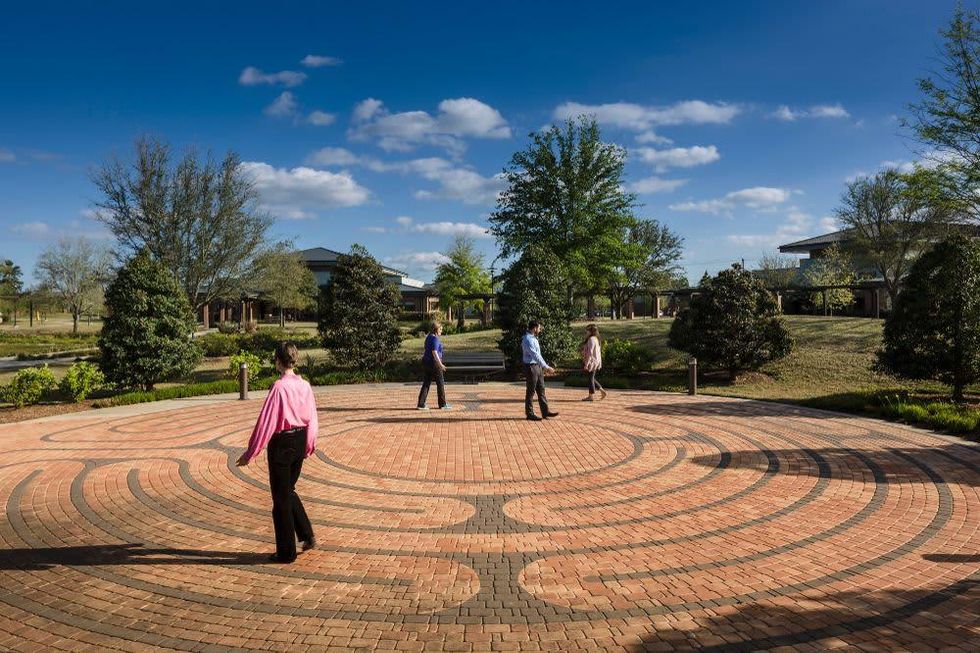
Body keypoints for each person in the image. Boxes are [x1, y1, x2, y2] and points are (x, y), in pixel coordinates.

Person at [237, 341, 318, 563]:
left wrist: (251, 452)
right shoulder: (305, 386)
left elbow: (266, 422)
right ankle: (307, 534)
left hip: (282, 444)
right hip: (300, 439)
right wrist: (309, 444)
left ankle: (286, 552)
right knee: (288, 490)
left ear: (277, 362)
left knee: (281, 499)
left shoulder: (279, 388)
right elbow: (312, 417)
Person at [522, 320, 559, 421]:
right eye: (539, 328)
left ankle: (545, 412)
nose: (540, 329)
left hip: (537, 367)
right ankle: (529, 414)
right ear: (534, 328)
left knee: (541, 390)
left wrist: (543, 366)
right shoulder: (527, 340)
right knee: (530, 391)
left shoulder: (534, 338)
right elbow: (535, 355)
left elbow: (539, 355)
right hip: (530, 367)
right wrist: (546, 367)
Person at [417, 321, 451, 410]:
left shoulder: (428, 337)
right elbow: (434, 352)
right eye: (440, 329)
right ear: (436, 329)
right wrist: (440, 364)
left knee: (426, 383)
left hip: (426, 362)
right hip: (434, 363)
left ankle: (421, 404)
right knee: (440, 383)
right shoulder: (435, 339)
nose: (441, 331)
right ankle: (443, 404)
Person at [580, 323, 607, 401]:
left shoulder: (591, 339)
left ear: (591, 331)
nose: (586, 332)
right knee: (591, 377)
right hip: (595, 361)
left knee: (590, 378)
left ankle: (591, 396)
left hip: (592, 362)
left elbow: (590, 353)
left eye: (587, 330)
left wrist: (587, 363)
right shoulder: (596, 339)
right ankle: (601, 391)